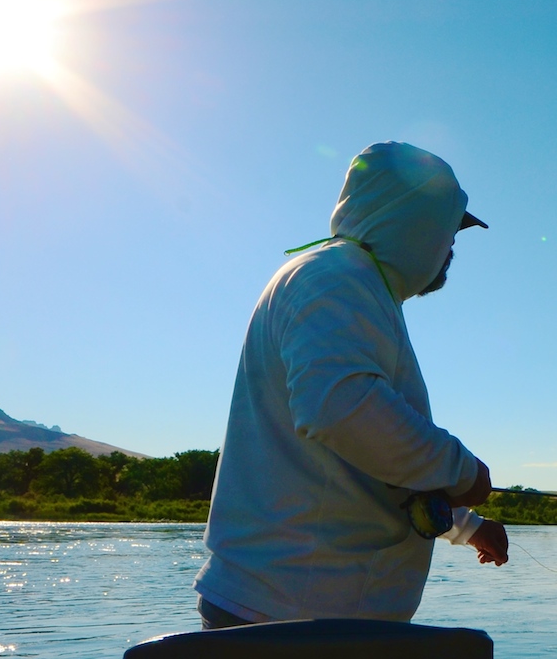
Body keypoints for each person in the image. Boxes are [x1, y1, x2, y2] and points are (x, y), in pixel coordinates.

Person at [194, 142, 509, 629]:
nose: (451, 247)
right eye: (449, 229)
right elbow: (342, 411)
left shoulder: (353, 287)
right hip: (292, 620)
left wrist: (469, 526)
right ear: (413, 223)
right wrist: (464, 472)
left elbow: (368, 464)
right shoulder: (334, 279)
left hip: (308, 615)